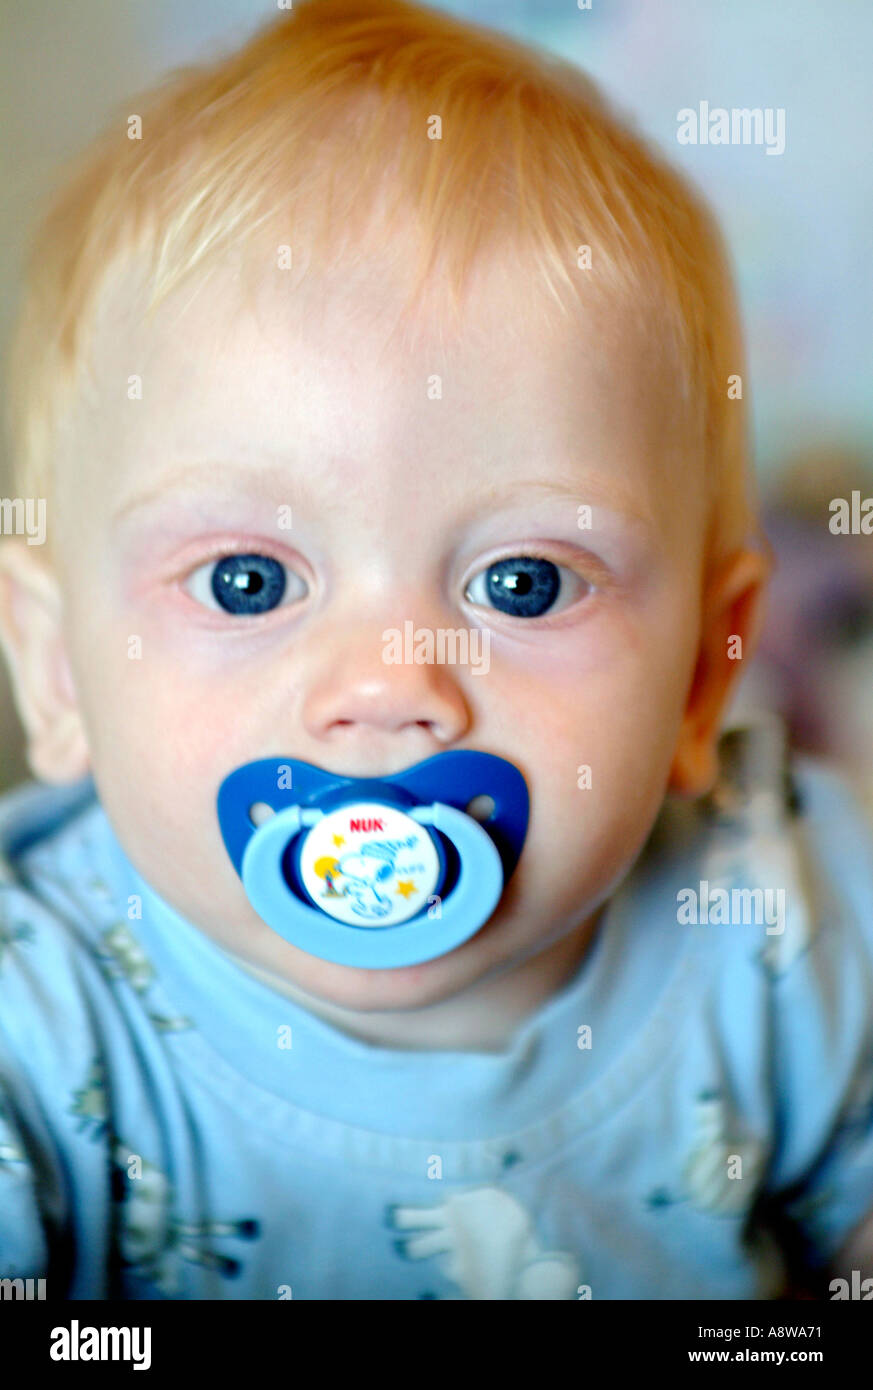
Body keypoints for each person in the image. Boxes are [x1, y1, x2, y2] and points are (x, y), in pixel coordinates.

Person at [0, 0, 870, 1300]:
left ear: (702, 673)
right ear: (57, 668)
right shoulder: (42, 1022)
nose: (387, 687)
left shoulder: (781, 920)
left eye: (521, 583)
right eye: (247, 581)